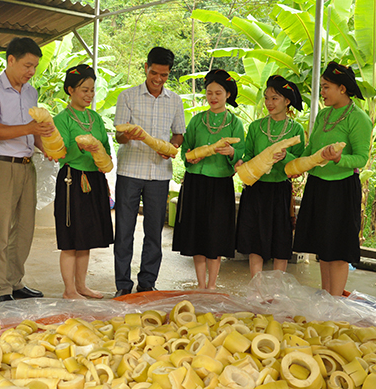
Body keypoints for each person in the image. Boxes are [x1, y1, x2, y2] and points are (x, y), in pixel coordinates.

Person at [0, 37, 54, 302]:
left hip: (26, 165)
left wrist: (45, 148)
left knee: (24, 228)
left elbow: (34, 130)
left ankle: (16, 282)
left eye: (34, 67)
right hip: (0, 165)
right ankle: (1, 288)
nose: (31, 71)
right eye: (27, 65)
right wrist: (31, 129)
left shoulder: (31, 92)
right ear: (11, 60)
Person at [292, 61, 372, 296]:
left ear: (342, 89)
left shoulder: (358, 118)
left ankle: (335, 304)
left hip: (342, 189)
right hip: (318, 186)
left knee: (337, 250)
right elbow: (311, 149)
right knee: (323, 248)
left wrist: (339, 159)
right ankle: (326, 297)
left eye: (326, 87)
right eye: (322, 87)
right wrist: (296, 164)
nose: (322, 92)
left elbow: (360, 158)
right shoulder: (324, 115)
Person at [113, 47, 186, 297]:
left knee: (154, 231)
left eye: (164, 75)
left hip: (160, 173)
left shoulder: (175, 100)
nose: (158, 79)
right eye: (154, 73)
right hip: (130, 171)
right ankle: (123, 285)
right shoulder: (128, 96)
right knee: (124, 230)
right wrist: (127, 134)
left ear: (169, 74)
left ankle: (147, 282)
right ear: (146, 67)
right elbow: (119, 136)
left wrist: (173, 147)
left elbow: (178, 134)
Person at [172, 70, 245, 289]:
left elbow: (241, 152)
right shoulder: (196, 120)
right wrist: (190, 158)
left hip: (220, 183)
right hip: (195, 183)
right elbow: (187, 148)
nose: (213, 97)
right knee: (198, 234)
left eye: (218, 93)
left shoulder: (235, 122)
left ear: (228, 95)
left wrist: (232, 153)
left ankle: (212, 284)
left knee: (216, 234)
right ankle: (201, 283)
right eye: (209, 92)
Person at [52, 64, 113, 299]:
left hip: (95, 178)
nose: (89, 95)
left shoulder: (95, 118)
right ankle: (69, 290)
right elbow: (61, 152)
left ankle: (81, 286)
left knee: (85, 237)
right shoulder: (62, 119)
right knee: (70, 239)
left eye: (91, 90)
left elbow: (106, 149)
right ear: (70, 90)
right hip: (71, 179)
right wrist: (79, 147)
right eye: (83, 90)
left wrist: (103, 160)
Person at [235, 75, 306, 277]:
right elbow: (248, 154)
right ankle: (256, 287)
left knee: (280, 240)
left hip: (280, 190)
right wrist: (242, 162)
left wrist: (286, 156)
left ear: (287, 101)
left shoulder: (295, 129)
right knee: (255, 240)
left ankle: (277, 290)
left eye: (275, 98)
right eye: (267, 98)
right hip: (256, 188)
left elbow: (299, 162)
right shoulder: (257, 127)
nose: (269, 103)